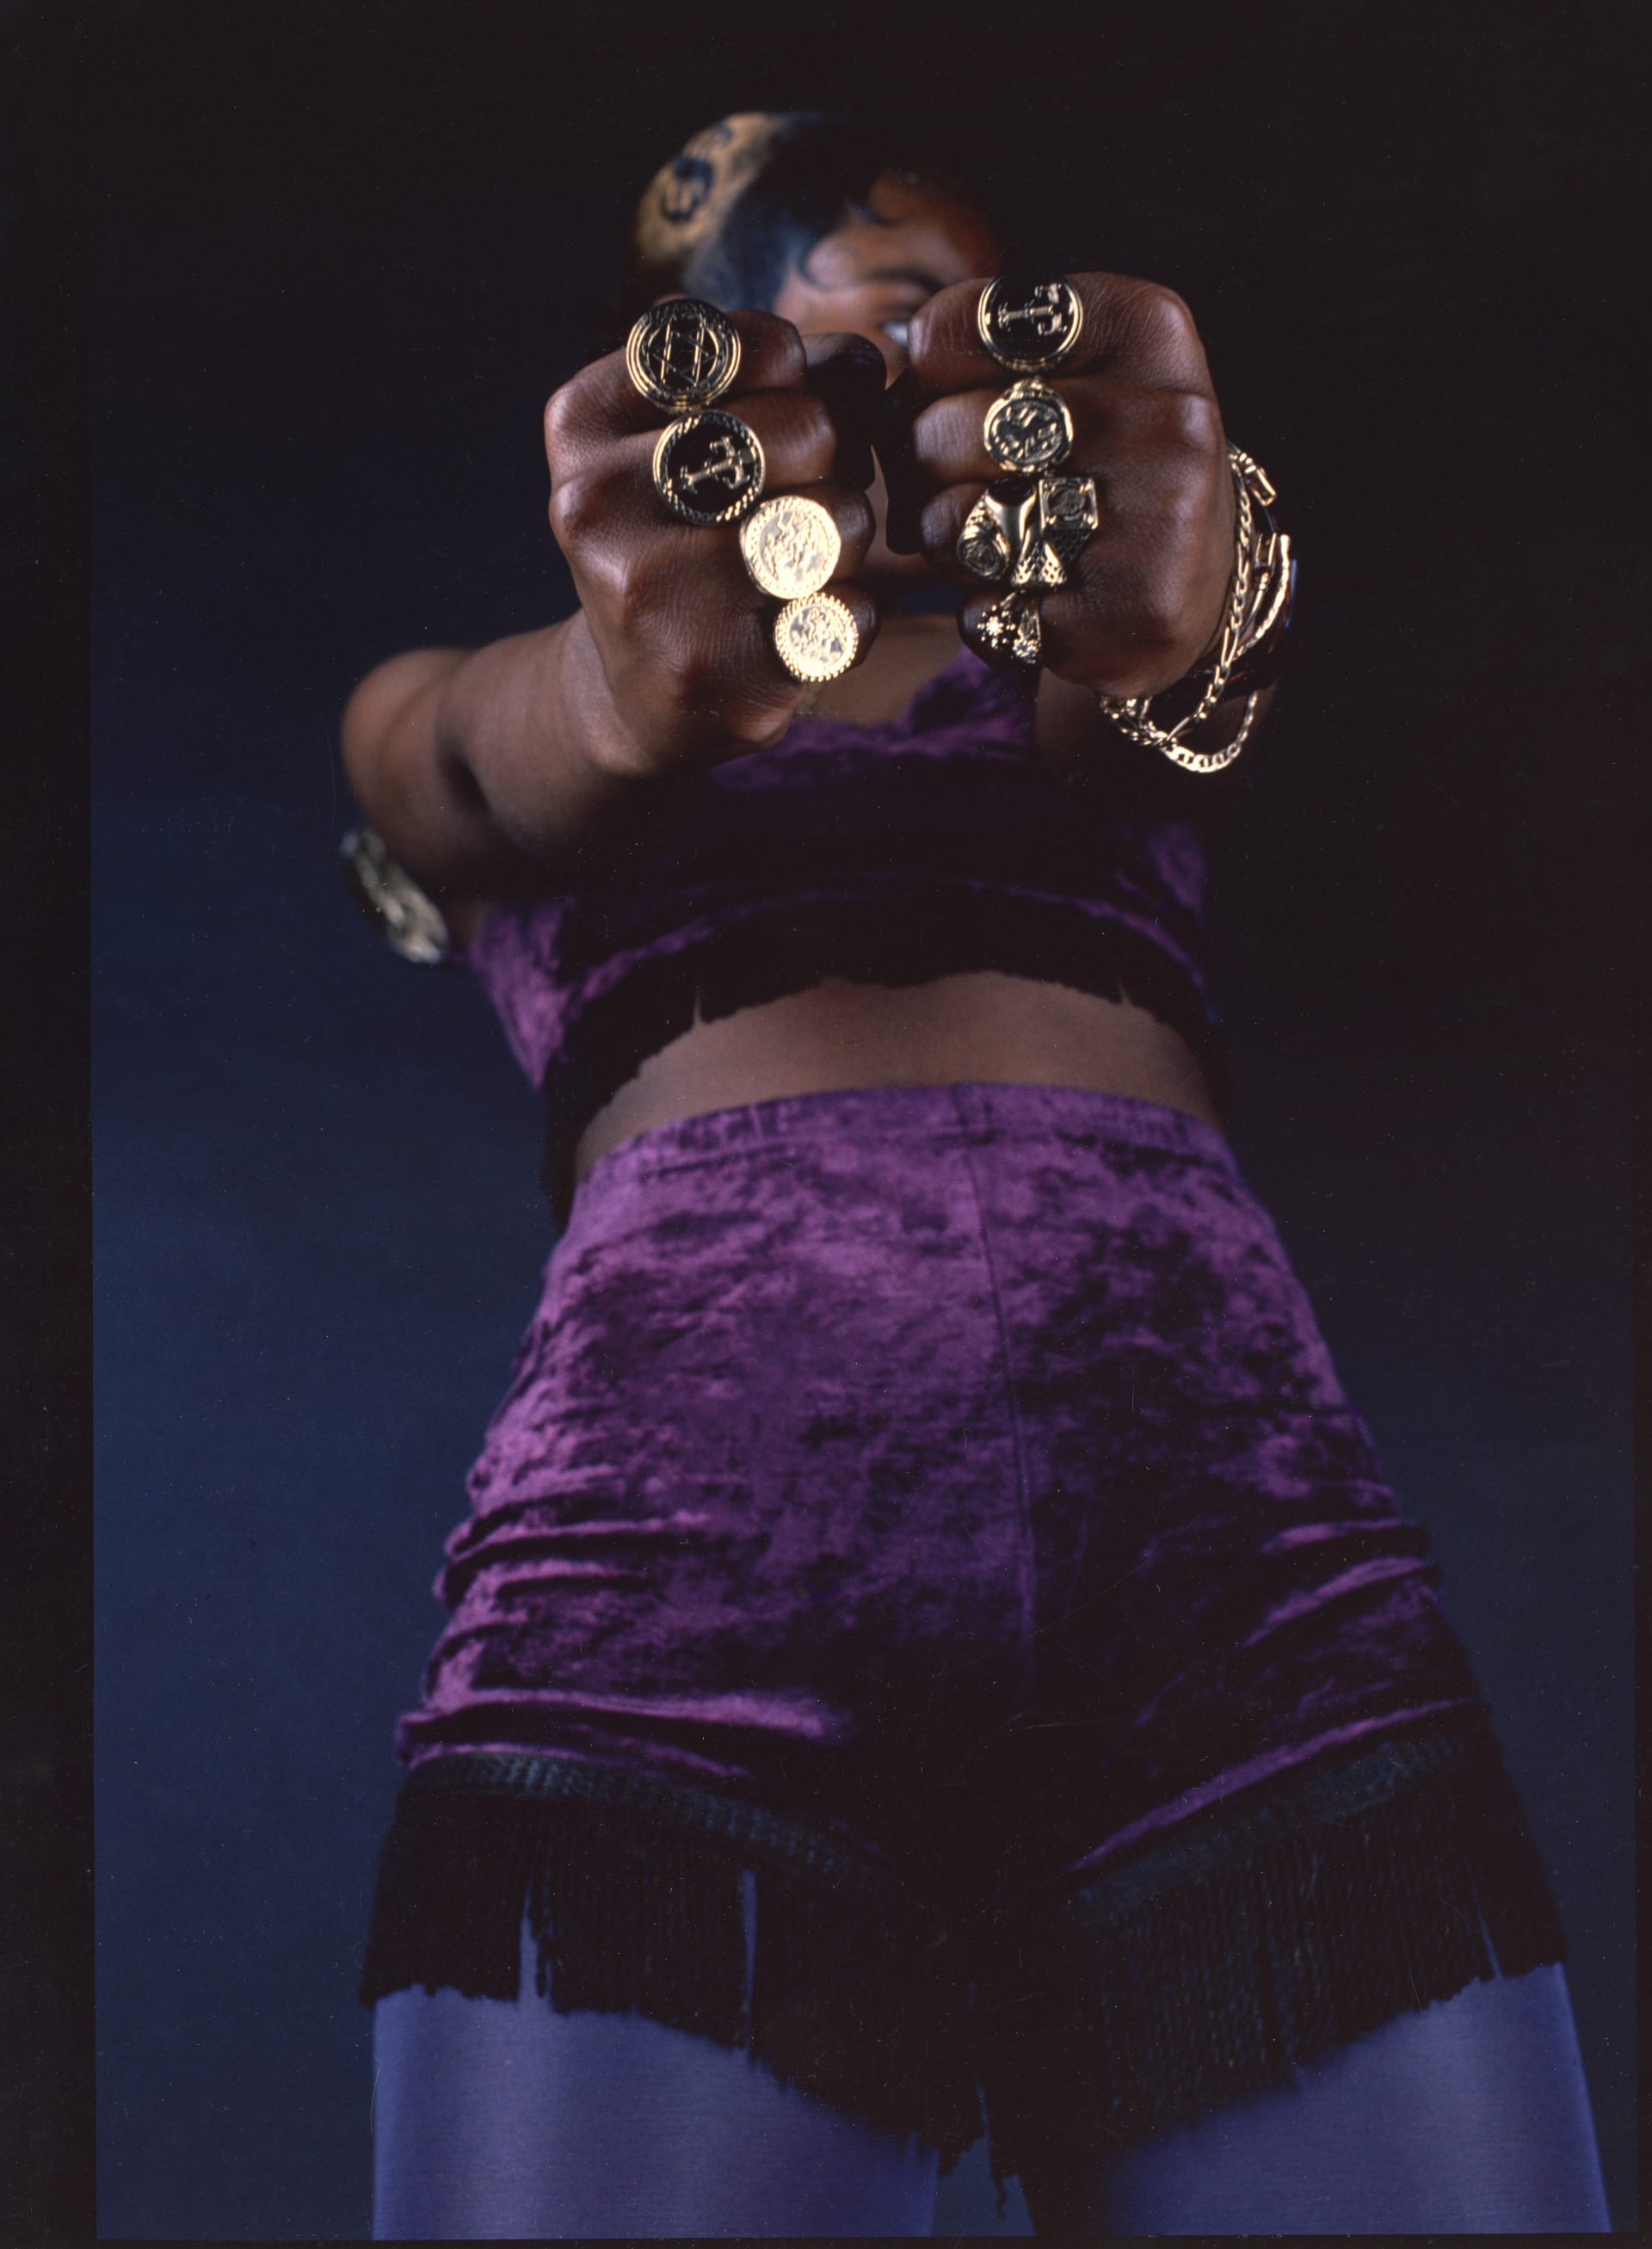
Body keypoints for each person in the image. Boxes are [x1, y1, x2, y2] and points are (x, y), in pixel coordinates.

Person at [341, 113, 1609, 2238]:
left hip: (1241, 1574)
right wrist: (628, 689)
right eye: (816, 349)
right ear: (683, 385)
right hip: (676, 1581)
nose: (890, 381)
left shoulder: (1086, 683)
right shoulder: (473, 694)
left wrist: (1195, 589)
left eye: (940, 345)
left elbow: (1178, 679)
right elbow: (478, 755)